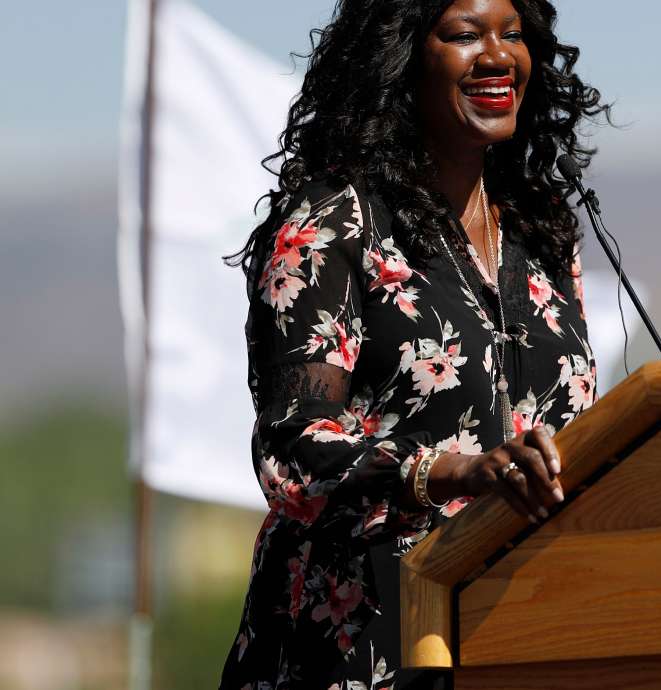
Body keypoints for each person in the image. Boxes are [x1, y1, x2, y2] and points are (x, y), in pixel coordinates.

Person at [218, 0, 607, 686]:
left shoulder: (543, 236)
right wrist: (453, 473)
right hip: (356, 649)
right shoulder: (334, 223)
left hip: (517, 640)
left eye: (512, 33)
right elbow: (291, 452)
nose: (496, 55)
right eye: (464, 34)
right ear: (401, 59)